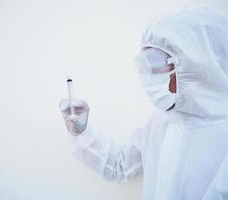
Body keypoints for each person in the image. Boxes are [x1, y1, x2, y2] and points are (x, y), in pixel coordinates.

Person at [59, 6, 228, 200]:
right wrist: (82, 133)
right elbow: (120, 165)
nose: (150, 80)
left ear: (199, 66)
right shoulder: (163, 122)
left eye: (156, 67)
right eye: (145, 67)